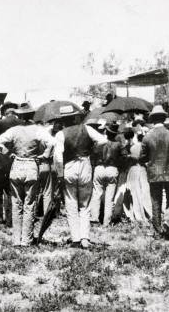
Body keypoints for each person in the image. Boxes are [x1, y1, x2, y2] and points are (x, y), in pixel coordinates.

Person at [0, 104, 54, 246]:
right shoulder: (38, 130)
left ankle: (16, 239)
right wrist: (45, 155)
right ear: (32, 116)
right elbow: (52, 142)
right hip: (31, 165)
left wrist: (8, 153)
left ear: (19, 116)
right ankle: (26, 239)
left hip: (16, 166)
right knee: (29, 204)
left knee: (16, 203)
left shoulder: (14, 130)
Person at [53, 106, 107, 249]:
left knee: (71, 202)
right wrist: (92, 150)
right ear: (75, 117)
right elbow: (103, 140)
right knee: (85, 204)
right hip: (85, 164)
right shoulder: (86, 129)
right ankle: (85, 237)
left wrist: (59, 173)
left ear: (62, 120)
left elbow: (58, 157)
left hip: (69, 166)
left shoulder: (61, 134)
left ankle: (76, 238)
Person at [140, 105, 169, 240]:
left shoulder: (147, 137)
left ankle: (158, 231)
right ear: (164, 118)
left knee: (156, 202)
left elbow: (142, 158)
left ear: (152, 120)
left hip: (154, 173)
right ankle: (168, 218)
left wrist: (149, 164)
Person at [0, 104, 22, 226]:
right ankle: (10, 219)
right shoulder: (21, 122)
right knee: (11, 191)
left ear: (4, 112)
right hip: (13, 160)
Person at [90, 123, 123, 226]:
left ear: (106, 132)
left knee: (96, 194)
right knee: (109, 198)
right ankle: (106, 222)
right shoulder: (118, 144)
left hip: (99, 168)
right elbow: (124, 156)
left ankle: (94, 218)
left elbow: (92, 155)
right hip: (112, 168)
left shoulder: (99, 143)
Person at [124, 130, 152, 222]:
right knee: (144, 191)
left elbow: (129, 159)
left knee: (134, 192)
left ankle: (135, 214)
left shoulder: (132, 147)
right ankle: (147, 213)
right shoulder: (146, 147)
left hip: (133, 169)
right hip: (143, 169)